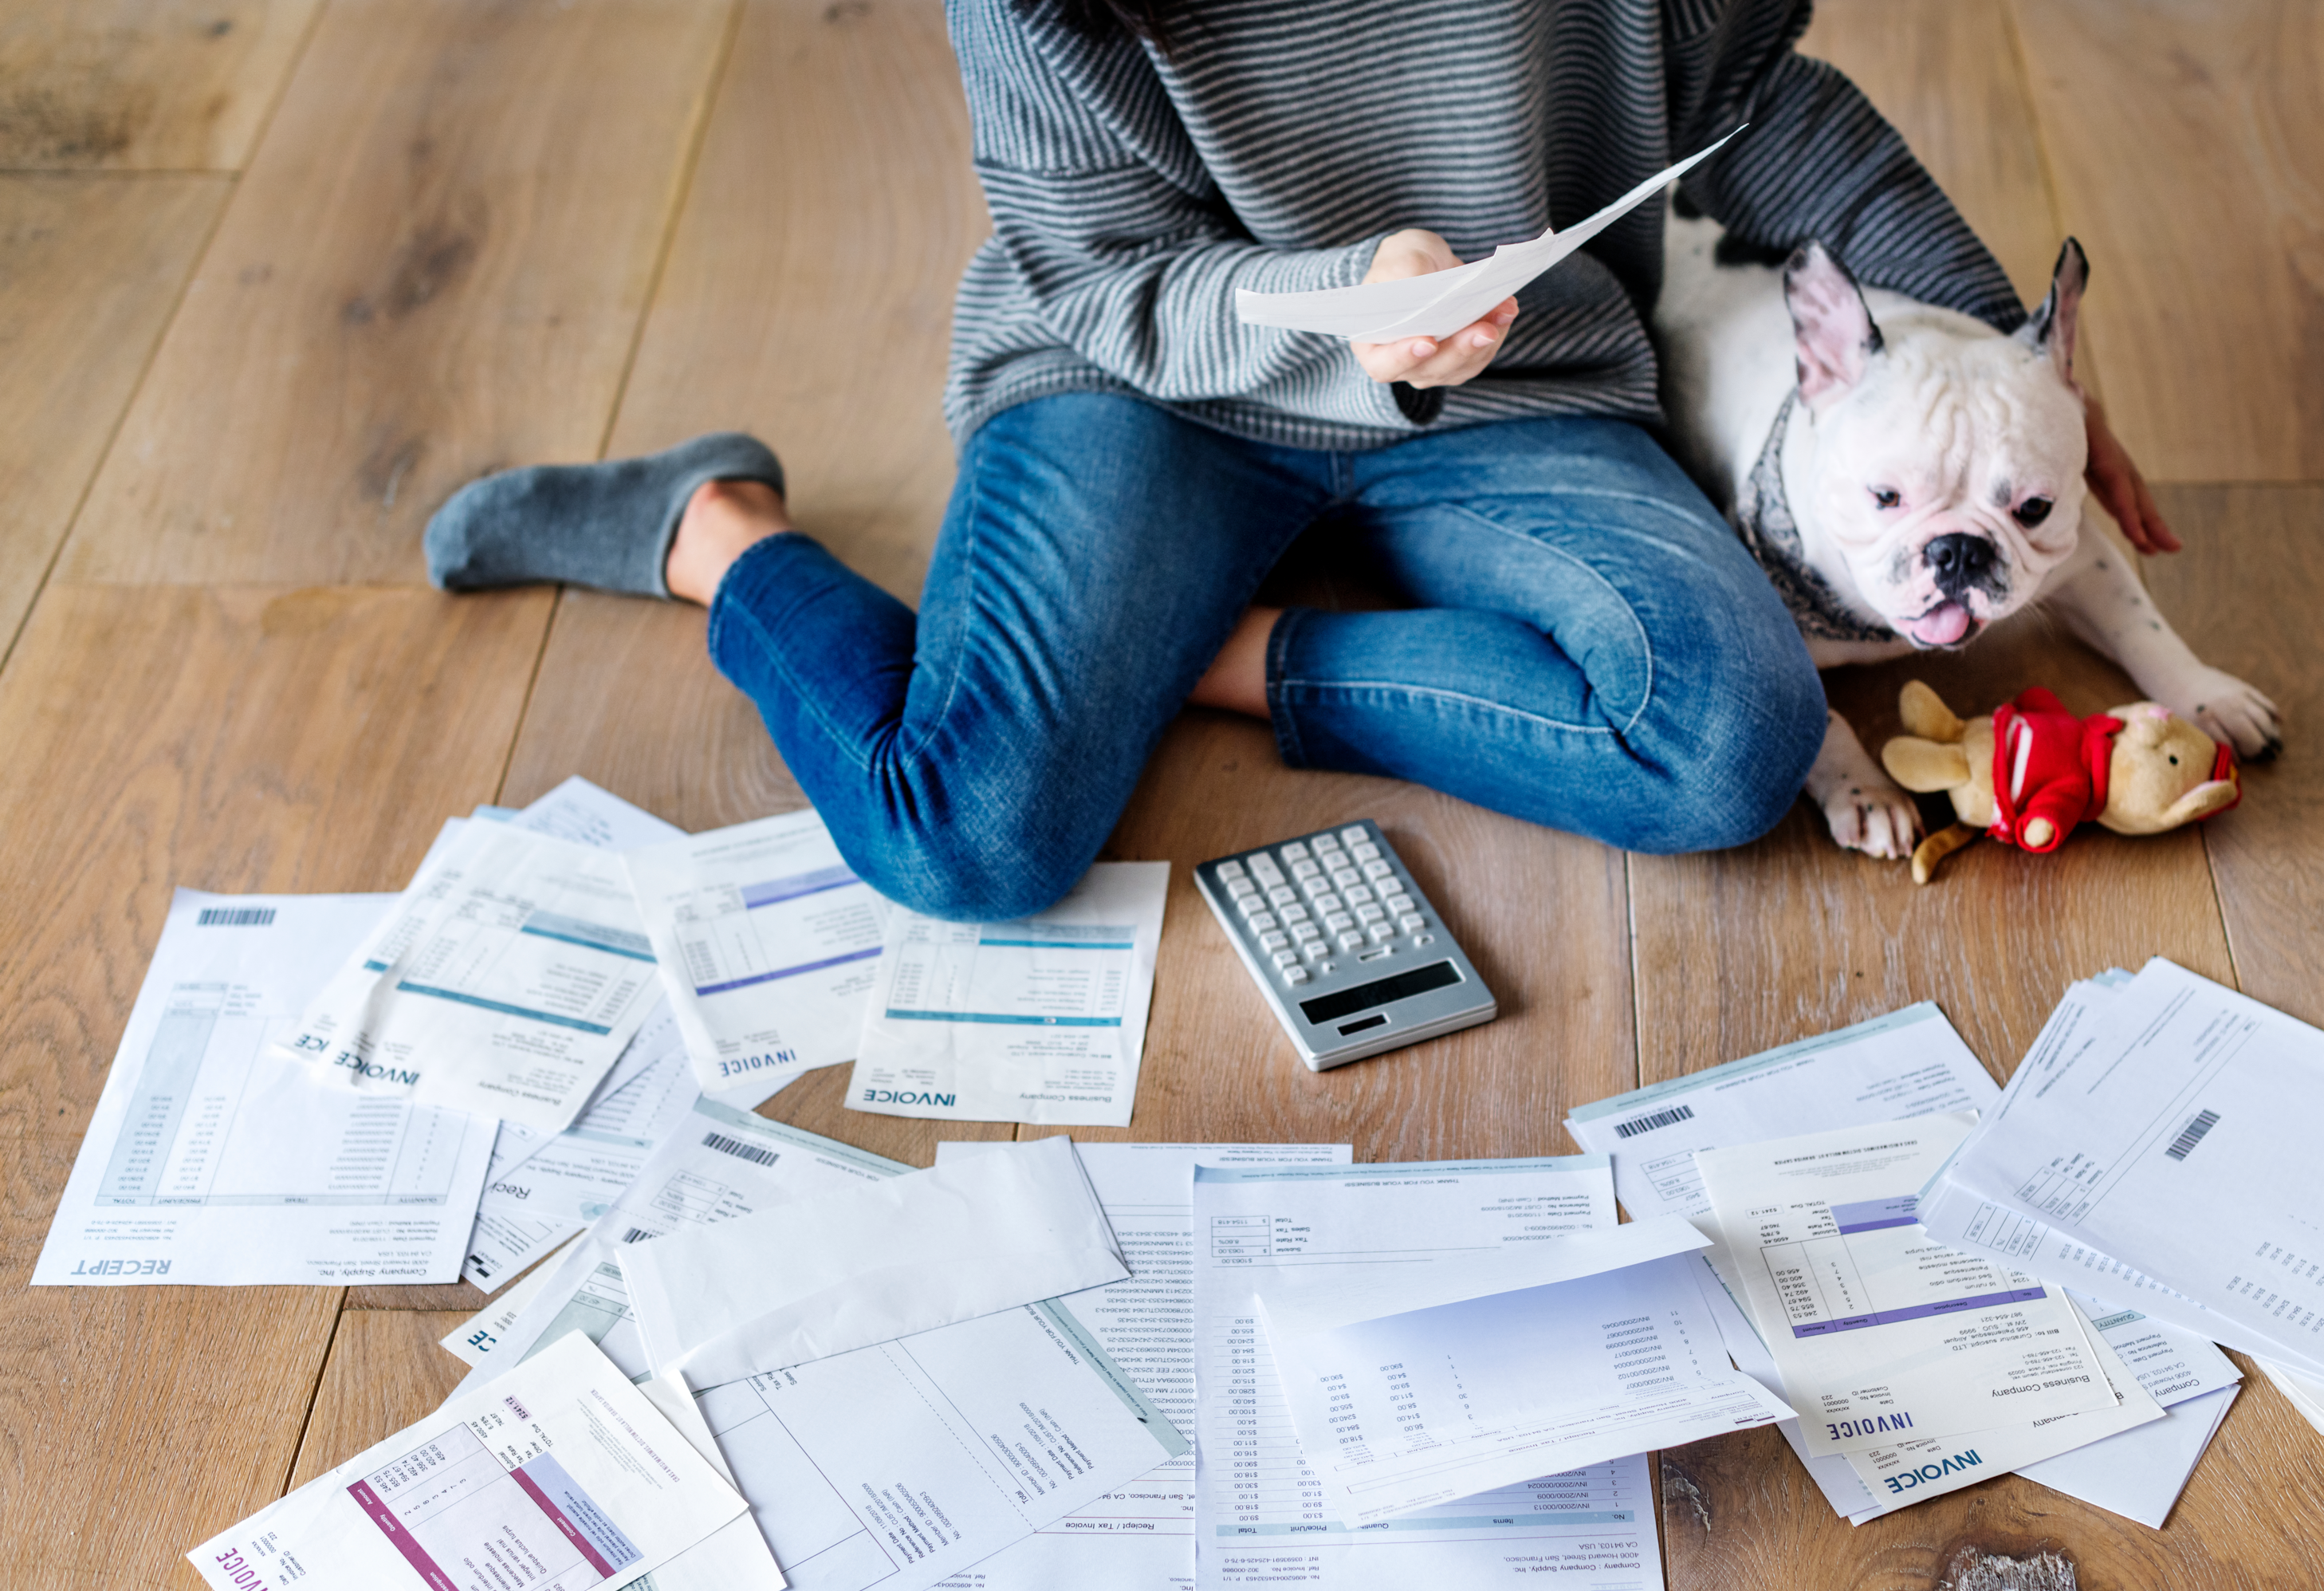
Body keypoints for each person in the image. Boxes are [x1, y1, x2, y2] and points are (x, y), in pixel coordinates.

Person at [424, 0, 2176, 922]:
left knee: (1733, 742)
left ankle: (1221, 657)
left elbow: (1764, 106)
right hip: (1147, 381)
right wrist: (1334, 301)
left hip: (1518, 378)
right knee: (963, 839)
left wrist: (2001, 377)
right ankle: (713, 531)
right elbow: (1101, 278)